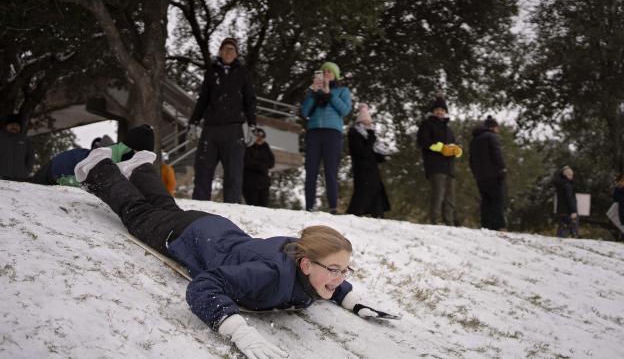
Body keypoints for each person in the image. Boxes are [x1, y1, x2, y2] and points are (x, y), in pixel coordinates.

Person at [72, 146, 394, 359]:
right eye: (335, 270)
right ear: (306, 264)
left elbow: (329, 280)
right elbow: (204, 286)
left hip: (213, 230)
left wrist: (353, 301)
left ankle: (140, 169)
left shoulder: (305, 260)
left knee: (165, 208)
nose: (340, 279)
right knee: (140, 215)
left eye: (344, 271)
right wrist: (238, 331)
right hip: (189, 237)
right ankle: (97, 169)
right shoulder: (269, 274)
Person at [189, 37, 257, 204]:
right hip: (211, 129)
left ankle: (232, 210)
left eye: (232, 49)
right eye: (225, 49)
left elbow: (250, 100)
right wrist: (193, 122)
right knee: (203, 170)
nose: (228, 52)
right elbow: (203, 99)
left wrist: (252, 126)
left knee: (234, 173)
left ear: (236, 54)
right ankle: (199, 207)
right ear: (220, 52)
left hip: (234, 130)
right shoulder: (211, 72)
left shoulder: (243, 73)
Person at [300, 62, 352, 213]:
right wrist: (313, 92)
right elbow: (304, 113)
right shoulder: (313, 92)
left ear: (336, 75)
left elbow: (345, 110)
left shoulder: (342, 91)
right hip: (314, 132)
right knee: (311, 170)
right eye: (324, 71)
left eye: (330, 71)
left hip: (332, 133)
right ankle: (309, 206)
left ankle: (333, 207)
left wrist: (328, 93)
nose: (326, 73)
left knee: (330, 170)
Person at [29, 125, 153, 186]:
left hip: (65, 165)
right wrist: (64, 181)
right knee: (30, 188)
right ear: (133, 148)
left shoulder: (128, 158)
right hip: (61, 167)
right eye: (142, 151)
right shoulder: (107, 156)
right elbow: (87, 181)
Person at [416, 96, 462, 225]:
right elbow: (422, 141)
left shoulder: (449, 128)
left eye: (442, 110)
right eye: (437, 109)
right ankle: (435, 220)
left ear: (445, 112)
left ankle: (449, 221)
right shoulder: (427, 124)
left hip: (449, 167)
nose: (440, 112)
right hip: (435, 165)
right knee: (438, 195)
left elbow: (454, 143)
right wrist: (440, 147)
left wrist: (457, 150)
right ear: (433, 111)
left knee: (450, 197)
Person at [346, 104, 391, 218]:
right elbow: (363, 153)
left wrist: (381, 153)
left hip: (373, 170)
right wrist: (371, 138)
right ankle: (354, 215)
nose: (368, 125)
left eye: (369, 123)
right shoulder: (354, 135)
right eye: (364, 123)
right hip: (362, 170)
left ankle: (378, 215)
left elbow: (377, 157)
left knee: (376, 193)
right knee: (362, 194)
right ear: (359, 123)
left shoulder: (371, 137)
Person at [469, 115, 507, 231]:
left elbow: (471, 160)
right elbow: (497, 154)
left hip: (480, 176)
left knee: (485, 201)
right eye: (497, 127)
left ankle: (486, 225)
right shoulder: (492, 137)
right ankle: (499, 226)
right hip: (493, 175)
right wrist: (502, 168)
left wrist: (475, 173)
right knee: (497, 200)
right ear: (493, 127)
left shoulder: (474, 140)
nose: (498, 130)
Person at [242, 128, 275, 207]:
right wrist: (261, 166)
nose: (260, 138)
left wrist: (261, 165)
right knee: (253, 206)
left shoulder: (266, 147)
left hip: (264, 183)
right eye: (257, 136)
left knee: (263, 206)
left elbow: (271, 162)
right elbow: (247, 162)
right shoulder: (247, 147)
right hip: (250, 183)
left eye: (262, 136)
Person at [0, 113, 34, 180]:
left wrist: (27, 171)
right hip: (1, 177)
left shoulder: (25, 139)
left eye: (17, 125)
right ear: (6, 125)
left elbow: (30, 156)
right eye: (12, 125)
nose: (15, 127)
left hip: (21, 178)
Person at [553, 166, 579, 238]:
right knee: (572, 230)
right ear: (566, 175)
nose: (572, 177)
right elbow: (570, 198)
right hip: (568, 211)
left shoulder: (560, 184)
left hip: (560, 210)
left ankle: (559, 242)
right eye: (570, 175)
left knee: (562, 228)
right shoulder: (567, 185)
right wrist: (573, 211)